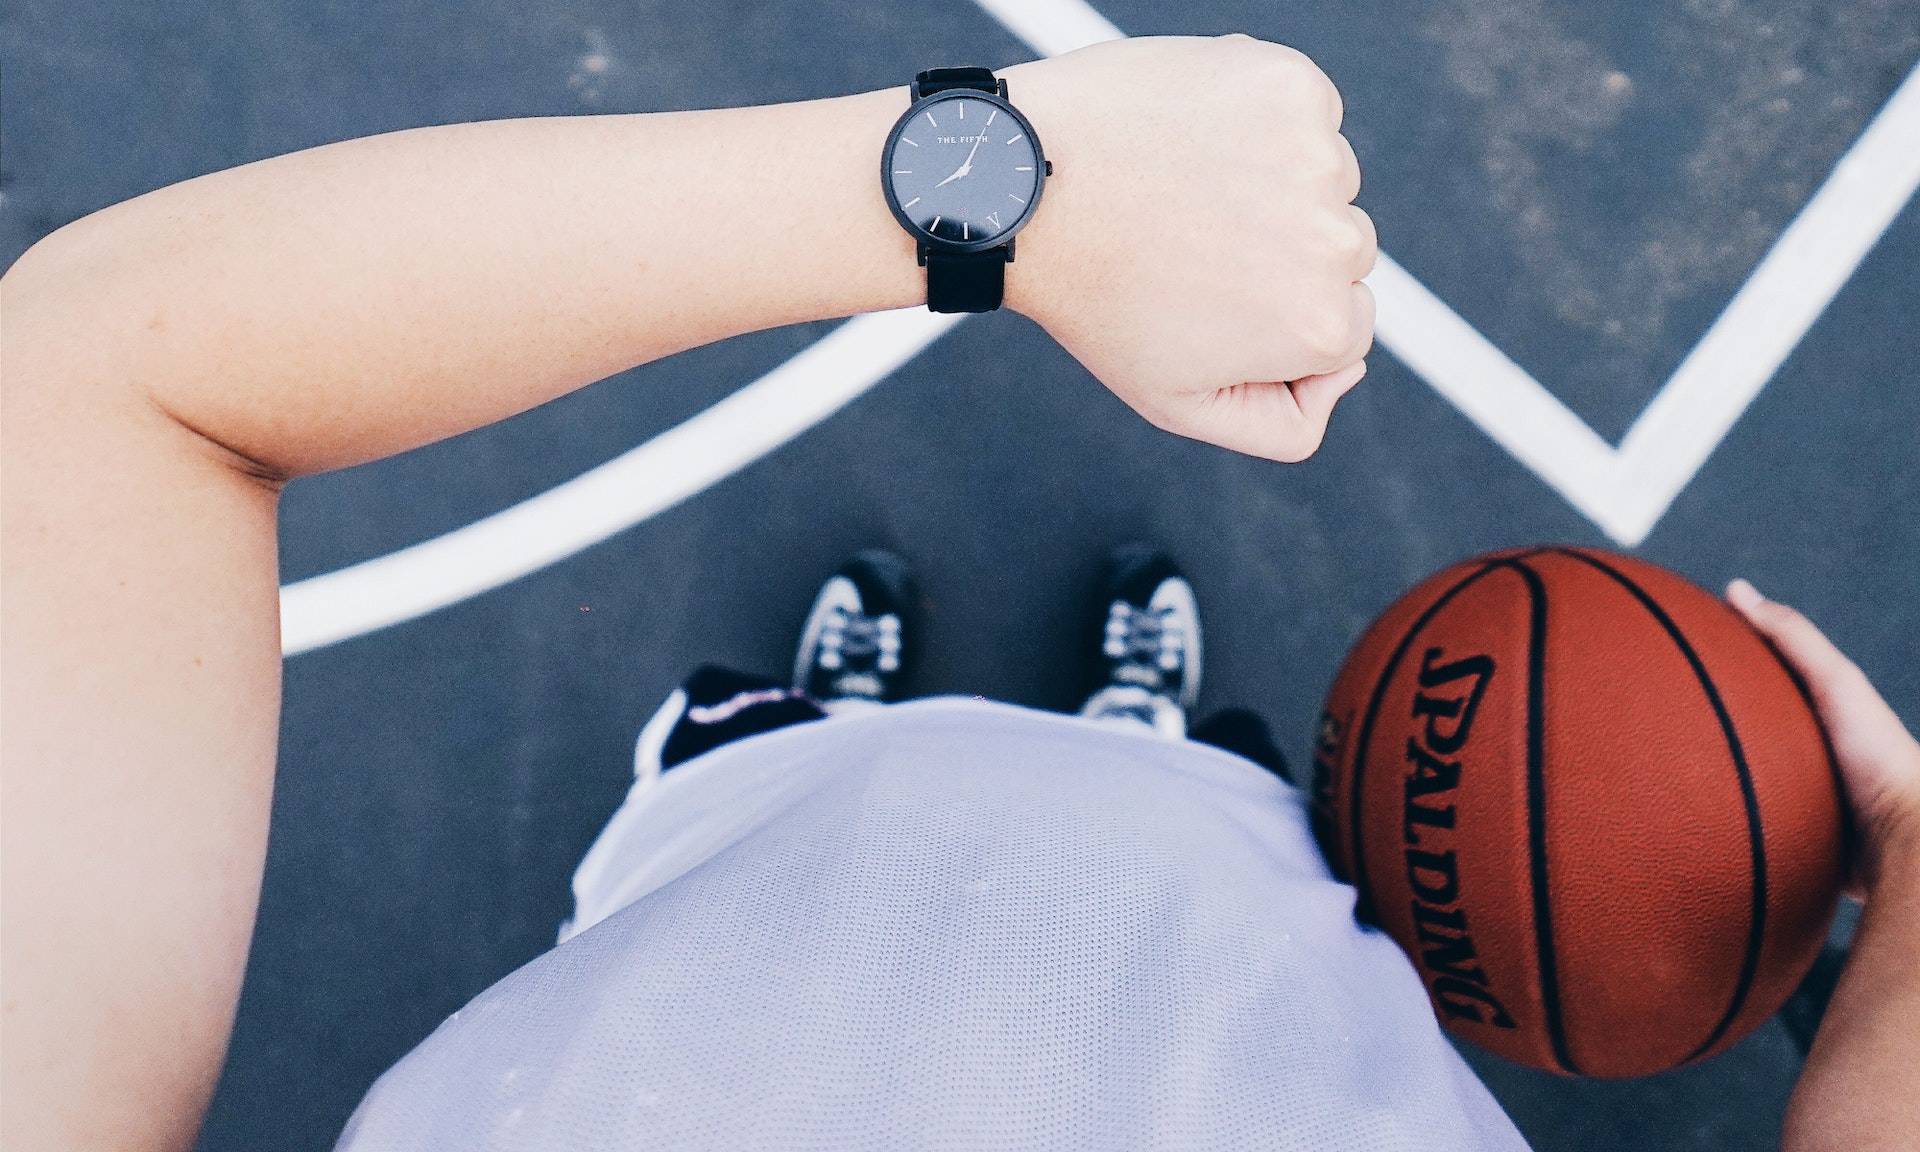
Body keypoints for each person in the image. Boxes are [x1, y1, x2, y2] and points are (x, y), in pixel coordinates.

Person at [0, 32, 1912, 1152]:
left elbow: (99, 387)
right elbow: (106, 386)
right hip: (1222, 900)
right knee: (1191, 821)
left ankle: (842, 731)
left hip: (754, 863)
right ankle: (1136, 747)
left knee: (775, 813)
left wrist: (1004, 190)